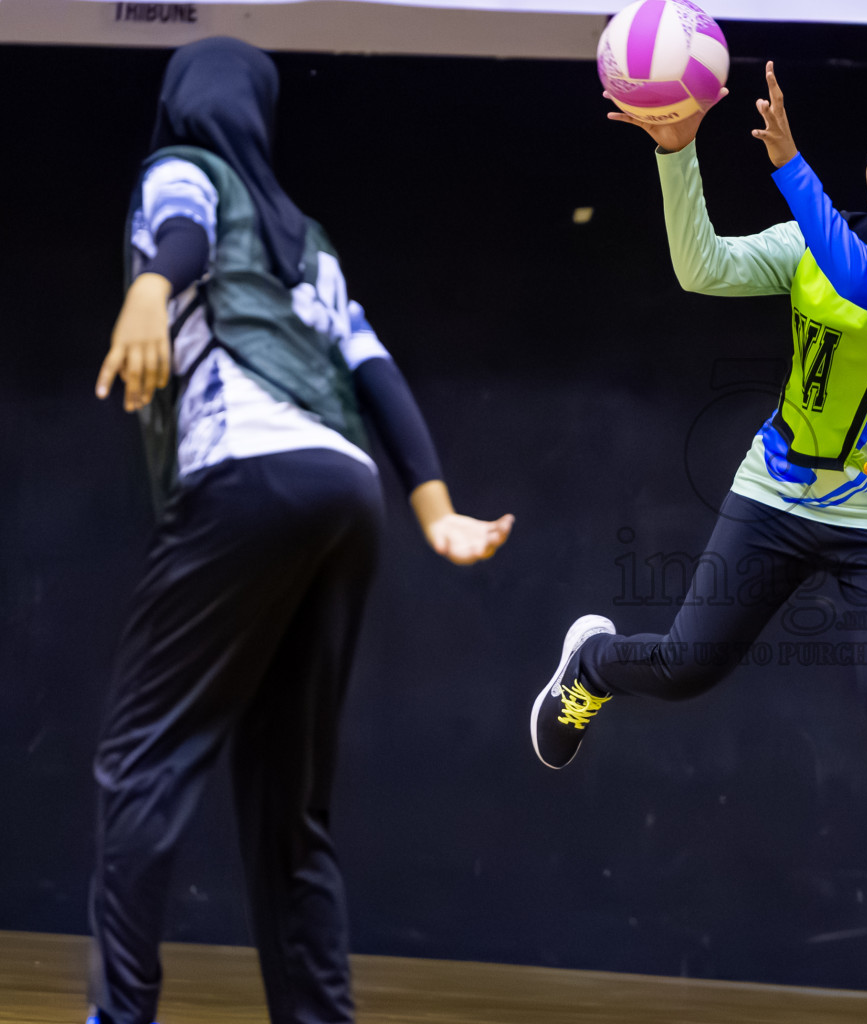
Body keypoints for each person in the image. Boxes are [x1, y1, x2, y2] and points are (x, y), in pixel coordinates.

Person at [528, 63, 867, 998]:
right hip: (775, 491)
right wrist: (677, 154)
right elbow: (703, 266)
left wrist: (793, 166)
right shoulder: (815, 237)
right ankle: (592, 669)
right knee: (688, 667)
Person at [89, 37, 512, 1024]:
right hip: (348, 496)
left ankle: (120, 1014)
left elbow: (182, 235)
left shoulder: (179, 167)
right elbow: (375, 370)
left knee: (140, 760)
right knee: (292, 809)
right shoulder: (309, 236)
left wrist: (151, 286)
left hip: (250, 473)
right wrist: (436, 509)